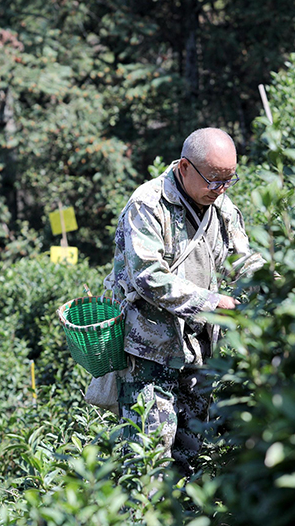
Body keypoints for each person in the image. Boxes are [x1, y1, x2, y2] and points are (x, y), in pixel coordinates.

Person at [105, 127, 266, 474]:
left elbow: (241, 259)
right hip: (150, 353)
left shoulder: (221, 206)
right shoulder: (148, 205)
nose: (220, 189)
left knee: (191, 455)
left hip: (197, 352)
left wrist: (269, 281)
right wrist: (213, 302)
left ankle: (187, 522)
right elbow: (148, 277)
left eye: (228, 179)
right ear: (183, 168)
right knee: (148, 455)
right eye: (213, 180)